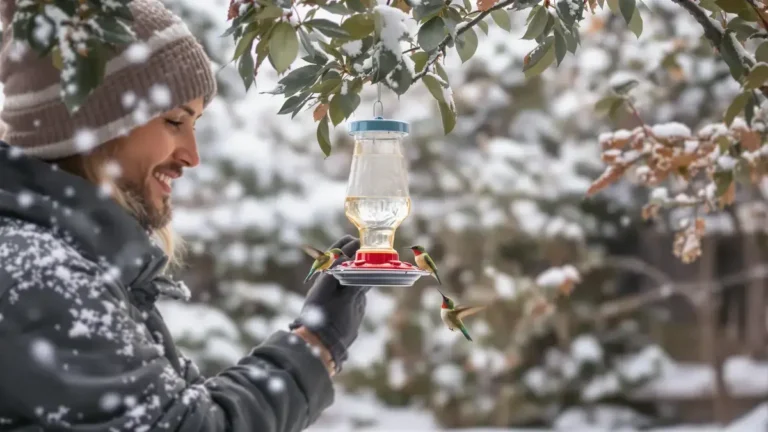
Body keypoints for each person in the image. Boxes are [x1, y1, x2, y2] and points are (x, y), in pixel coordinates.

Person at [0, 0, 369, 430]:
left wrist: (314, 342)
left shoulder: (65, 264)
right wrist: (318, 344)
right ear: (91, 126)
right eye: (175, 121)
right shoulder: (36, 275)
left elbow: (187, 411)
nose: (192, 156)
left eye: (195, 125)